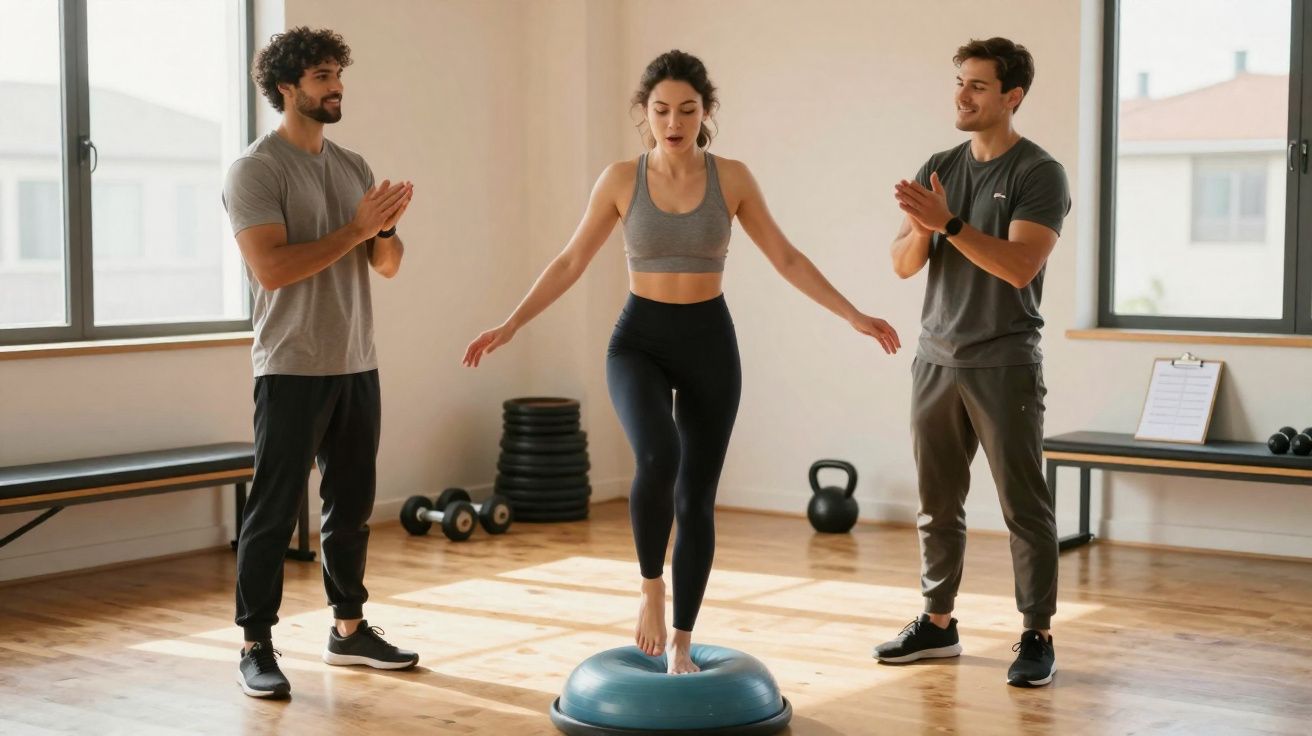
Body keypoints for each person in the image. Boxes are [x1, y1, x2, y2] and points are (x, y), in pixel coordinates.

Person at [464, 49, 900, 675]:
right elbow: (568, 263)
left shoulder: (734, 178)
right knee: (657, 454)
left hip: (708, 342)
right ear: (645, 113)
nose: (675, 120)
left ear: (706, 113)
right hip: (638, 339)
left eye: (688, 110)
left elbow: (788, 259)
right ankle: (650, 585)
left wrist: (853, 315)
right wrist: (511, 324)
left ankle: (682, 642)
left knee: (696, 497)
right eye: (662, 109)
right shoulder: (620, 179)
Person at [222, 26, 418, 698]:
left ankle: (348, 629)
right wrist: (357, 230)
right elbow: (273, 270)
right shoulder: (256, 170)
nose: (336, 88)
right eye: (322, 77)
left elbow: (387, 266)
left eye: (339, 75)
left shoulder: (353, 166)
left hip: (356, 360)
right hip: (291, 364)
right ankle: (255, 643)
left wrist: (384, 229)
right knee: (274, 511)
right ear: (286, 87)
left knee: (352, 505)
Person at [876, 37, 1070, 688]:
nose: (962, 95)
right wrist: (928, 227)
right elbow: (903, 264)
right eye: (959, 82)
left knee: (1024, 506)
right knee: (937, 505)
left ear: (1012, 98)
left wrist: (951, 222)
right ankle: (937, 624)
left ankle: (1036, 634)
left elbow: (1019, 265)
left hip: (1004, 362)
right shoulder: (939, 165)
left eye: (978, 86)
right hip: (935, 359)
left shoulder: (1038, 173)